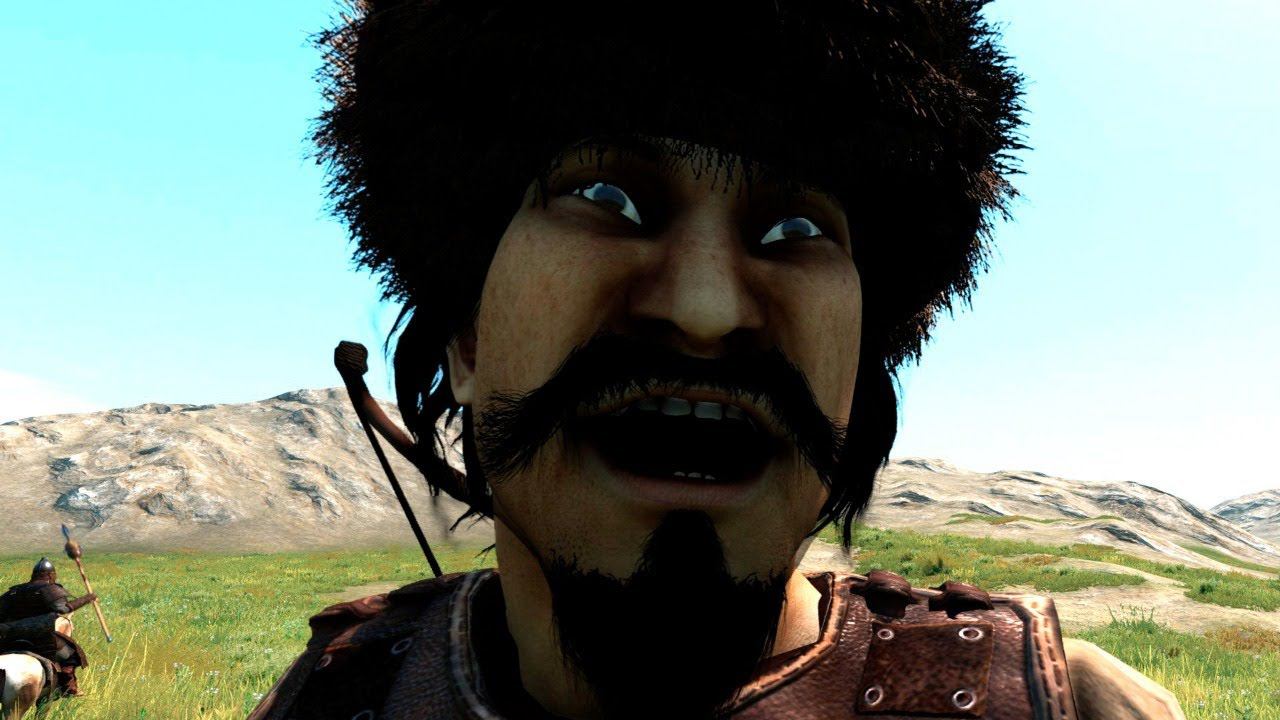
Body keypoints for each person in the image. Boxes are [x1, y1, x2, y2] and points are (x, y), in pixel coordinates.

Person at [252, 0, 1184, 718]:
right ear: (467, 340)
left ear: (857, 372)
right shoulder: (332, 697)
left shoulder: (1065, 706)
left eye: (794, 230)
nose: (705, 311)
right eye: (608, 199)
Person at [0, 559, 93, 697]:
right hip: (40, 637)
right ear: (50, 575)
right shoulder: (49, 588)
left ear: (34, 575)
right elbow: (62, 608)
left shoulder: (14, 591)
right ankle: (68, 688)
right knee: (71, 654)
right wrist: (87, 598)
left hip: (9, 637)